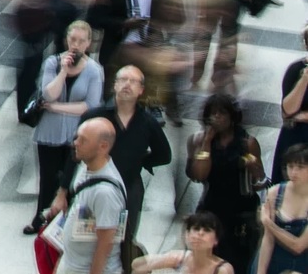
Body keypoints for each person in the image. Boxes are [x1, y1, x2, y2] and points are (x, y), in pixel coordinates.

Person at [52, 66, 171, 268]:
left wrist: (141, 161)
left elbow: (164, 154)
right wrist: (62, 191)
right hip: (93, 185)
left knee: (122, 239)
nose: (127, 84)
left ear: (141, 90)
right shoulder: (94, 117)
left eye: (133, 81)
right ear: (114, 85)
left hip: (129, 187)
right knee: (83, 237)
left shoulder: (147, 122)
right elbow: (75, 155)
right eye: (123, 79)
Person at [26, 21, 103, 235]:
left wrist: (56, 107)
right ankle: (41, 217)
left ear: (88, 43)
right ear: (66, 40)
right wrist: (63, 72)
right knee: (47, 177)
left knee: (69, 180)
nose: (76, 44)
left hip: (76, 135)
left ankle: (65, 222)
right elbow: (48, 93)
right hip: (49, 132)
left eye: (81, 40)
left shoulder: (95, 71)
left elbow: (90, 106)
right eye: (72, 39)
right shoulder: (53, 62)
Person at [186, 93, 264, 274]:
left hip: (241, 211)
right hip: (213, 206)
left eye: (222, 113)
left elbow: (259, 180)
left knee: (237, 262)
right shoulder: (198, 140)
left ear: (231, 117)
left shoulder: (247, 143)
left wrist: (253, 167)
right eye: (213, 114)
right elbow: (199, 175)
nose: (217, 118)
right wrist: (206, 142)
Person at [51, 117, 127, 274]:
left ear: (103, 146)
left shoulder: (105, 193)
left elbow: (105, 243)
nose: (75, 143)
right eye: (77, 137)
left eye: (83, 140)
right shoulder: (85, 166)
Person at [258, 144, 308, 274]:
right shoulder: (275, 192)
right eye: (290, 167)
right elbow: (268, 239)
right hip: (276, 262)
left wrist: (268, 223)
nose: (293, 173)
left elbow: (299, 246)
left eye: (300, 167)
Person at [129, 211, 231, 274]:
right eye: (196, 229)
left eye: (207, 230)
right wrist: (164, 260)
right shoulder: (180, 257)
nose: (200, 234)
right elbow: (136, 265)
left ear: (216, 240)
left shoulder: (222, 269)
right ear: (187, 235)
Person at [272, 30, 308, 183]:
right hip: (296, 136)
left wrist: (304, 116)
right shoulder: (296, 70)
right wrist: (304, 79)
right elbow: (287, 111)